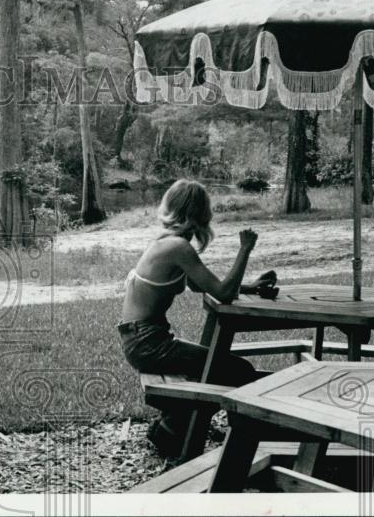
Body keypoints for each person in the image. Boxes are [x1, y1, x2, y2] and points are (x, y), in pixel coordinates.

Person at [118, 179, 276, 460]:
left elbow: (198, 285)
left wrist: (250, 286)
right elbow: (224, 294)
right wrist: (245, 249)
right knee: (238, 370)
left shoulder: (169, 243)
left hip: (140, 339)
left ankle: (174, 426)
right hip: (148, 344)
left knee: (218, 369)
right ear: (200, 214)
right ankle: (236, 438)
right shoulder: (178, 247)